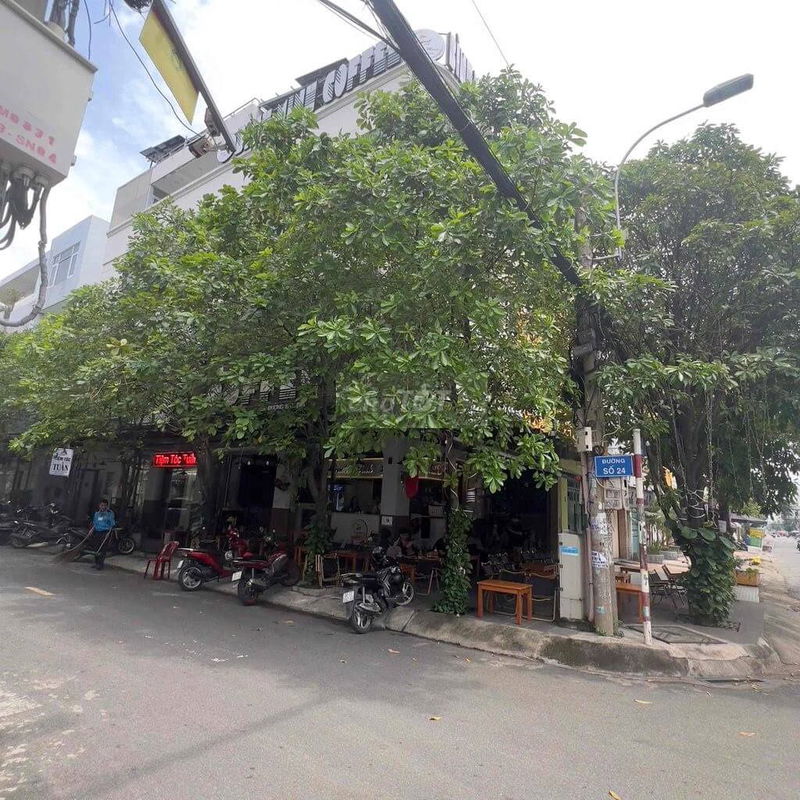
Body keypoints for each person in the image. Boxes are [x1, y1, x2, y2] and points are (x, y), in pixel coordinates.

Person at [88, 499, 116, 570]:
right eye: (102, 505)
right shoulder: (97, 514)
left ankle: (100, 564)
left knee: (103, 548)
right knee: (96, 548)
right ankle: (96, 563)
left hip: (105, 532)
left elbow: (112, 525)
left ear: (107, 506)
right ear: (99, 505)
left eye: (105, 505)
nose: (103, 507)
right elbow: (95, 523)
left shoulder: (110, 513)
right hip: (97, 532)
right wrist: (91, 530)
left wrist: (108, 533)